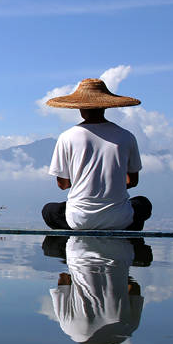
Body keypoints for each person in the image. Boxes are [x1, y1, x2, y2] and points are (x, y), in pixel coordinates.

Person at [41, 78, 152, 231]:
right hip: (120, 219)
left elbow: (63, 184)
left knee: (49, 210)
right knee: (143, 204)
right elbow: (132, 181)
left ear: (80, 108)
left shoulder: (67, 137)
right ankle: (131, 245)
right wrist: (108, 185)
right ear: (105, 106)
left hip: (80, 220)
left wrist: (86, 184)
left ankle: (66, 250)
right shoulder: (127, 136)